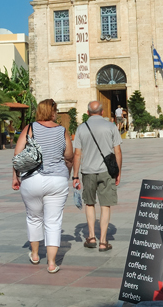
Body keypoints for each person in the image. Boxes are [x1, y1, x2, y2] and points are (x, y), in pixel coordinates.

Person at [12, 99, 73, 274]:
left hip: (32, 179)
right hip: (57, 180)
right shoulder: (62, 131)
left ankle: (36, 254)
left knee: (34, 217)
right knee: (53, 221)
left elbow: (17, 155)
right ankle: (52, 263)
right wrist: (66, 173)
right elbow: (68, 156)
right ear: (52, 112)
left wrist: (15, 177)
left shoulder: (29, 128)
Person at [72, 101, 123, 252]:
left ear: (88, 112)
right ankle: (103, 241)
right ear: (102, 112)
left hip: (88, 171)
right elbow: (118, 151)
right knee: (105, 204)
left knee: (89, 203)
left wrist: (75, 176)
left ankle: (92, 237)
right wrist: (118, 172)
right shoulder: (111, 127)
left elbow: (77, 154)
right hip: (106, 171)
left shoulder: (81, 128)